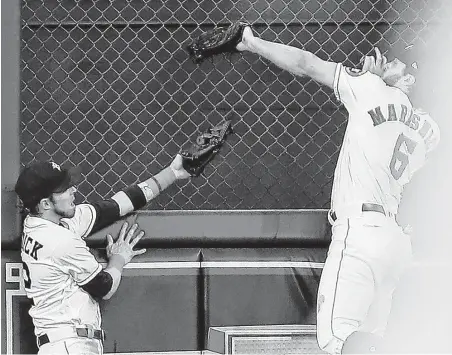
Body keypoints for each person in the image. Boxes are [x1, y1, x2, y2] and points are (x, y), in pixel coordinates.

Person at [234, 26, 440, 353]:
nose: (390, 61)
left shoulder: (369, 88)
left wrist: (253, 42)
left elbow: (305, 62)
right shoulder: (432, 130)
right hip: (395, 244)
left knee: (335, 339)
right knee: (375, 341)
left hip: (360, 234)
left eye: (400, 62)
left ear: (410, 79)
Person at [15, 155, 190, 354]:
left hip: (62, 343)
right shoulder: (59, 242)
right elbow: (104, 286)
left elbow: (116, 206)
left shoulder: (38, 223)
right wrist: (119, 258)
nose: (73, 190)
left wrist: (172, 173)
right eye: (63, 189)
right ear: (46, 204)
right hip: (70, 344)